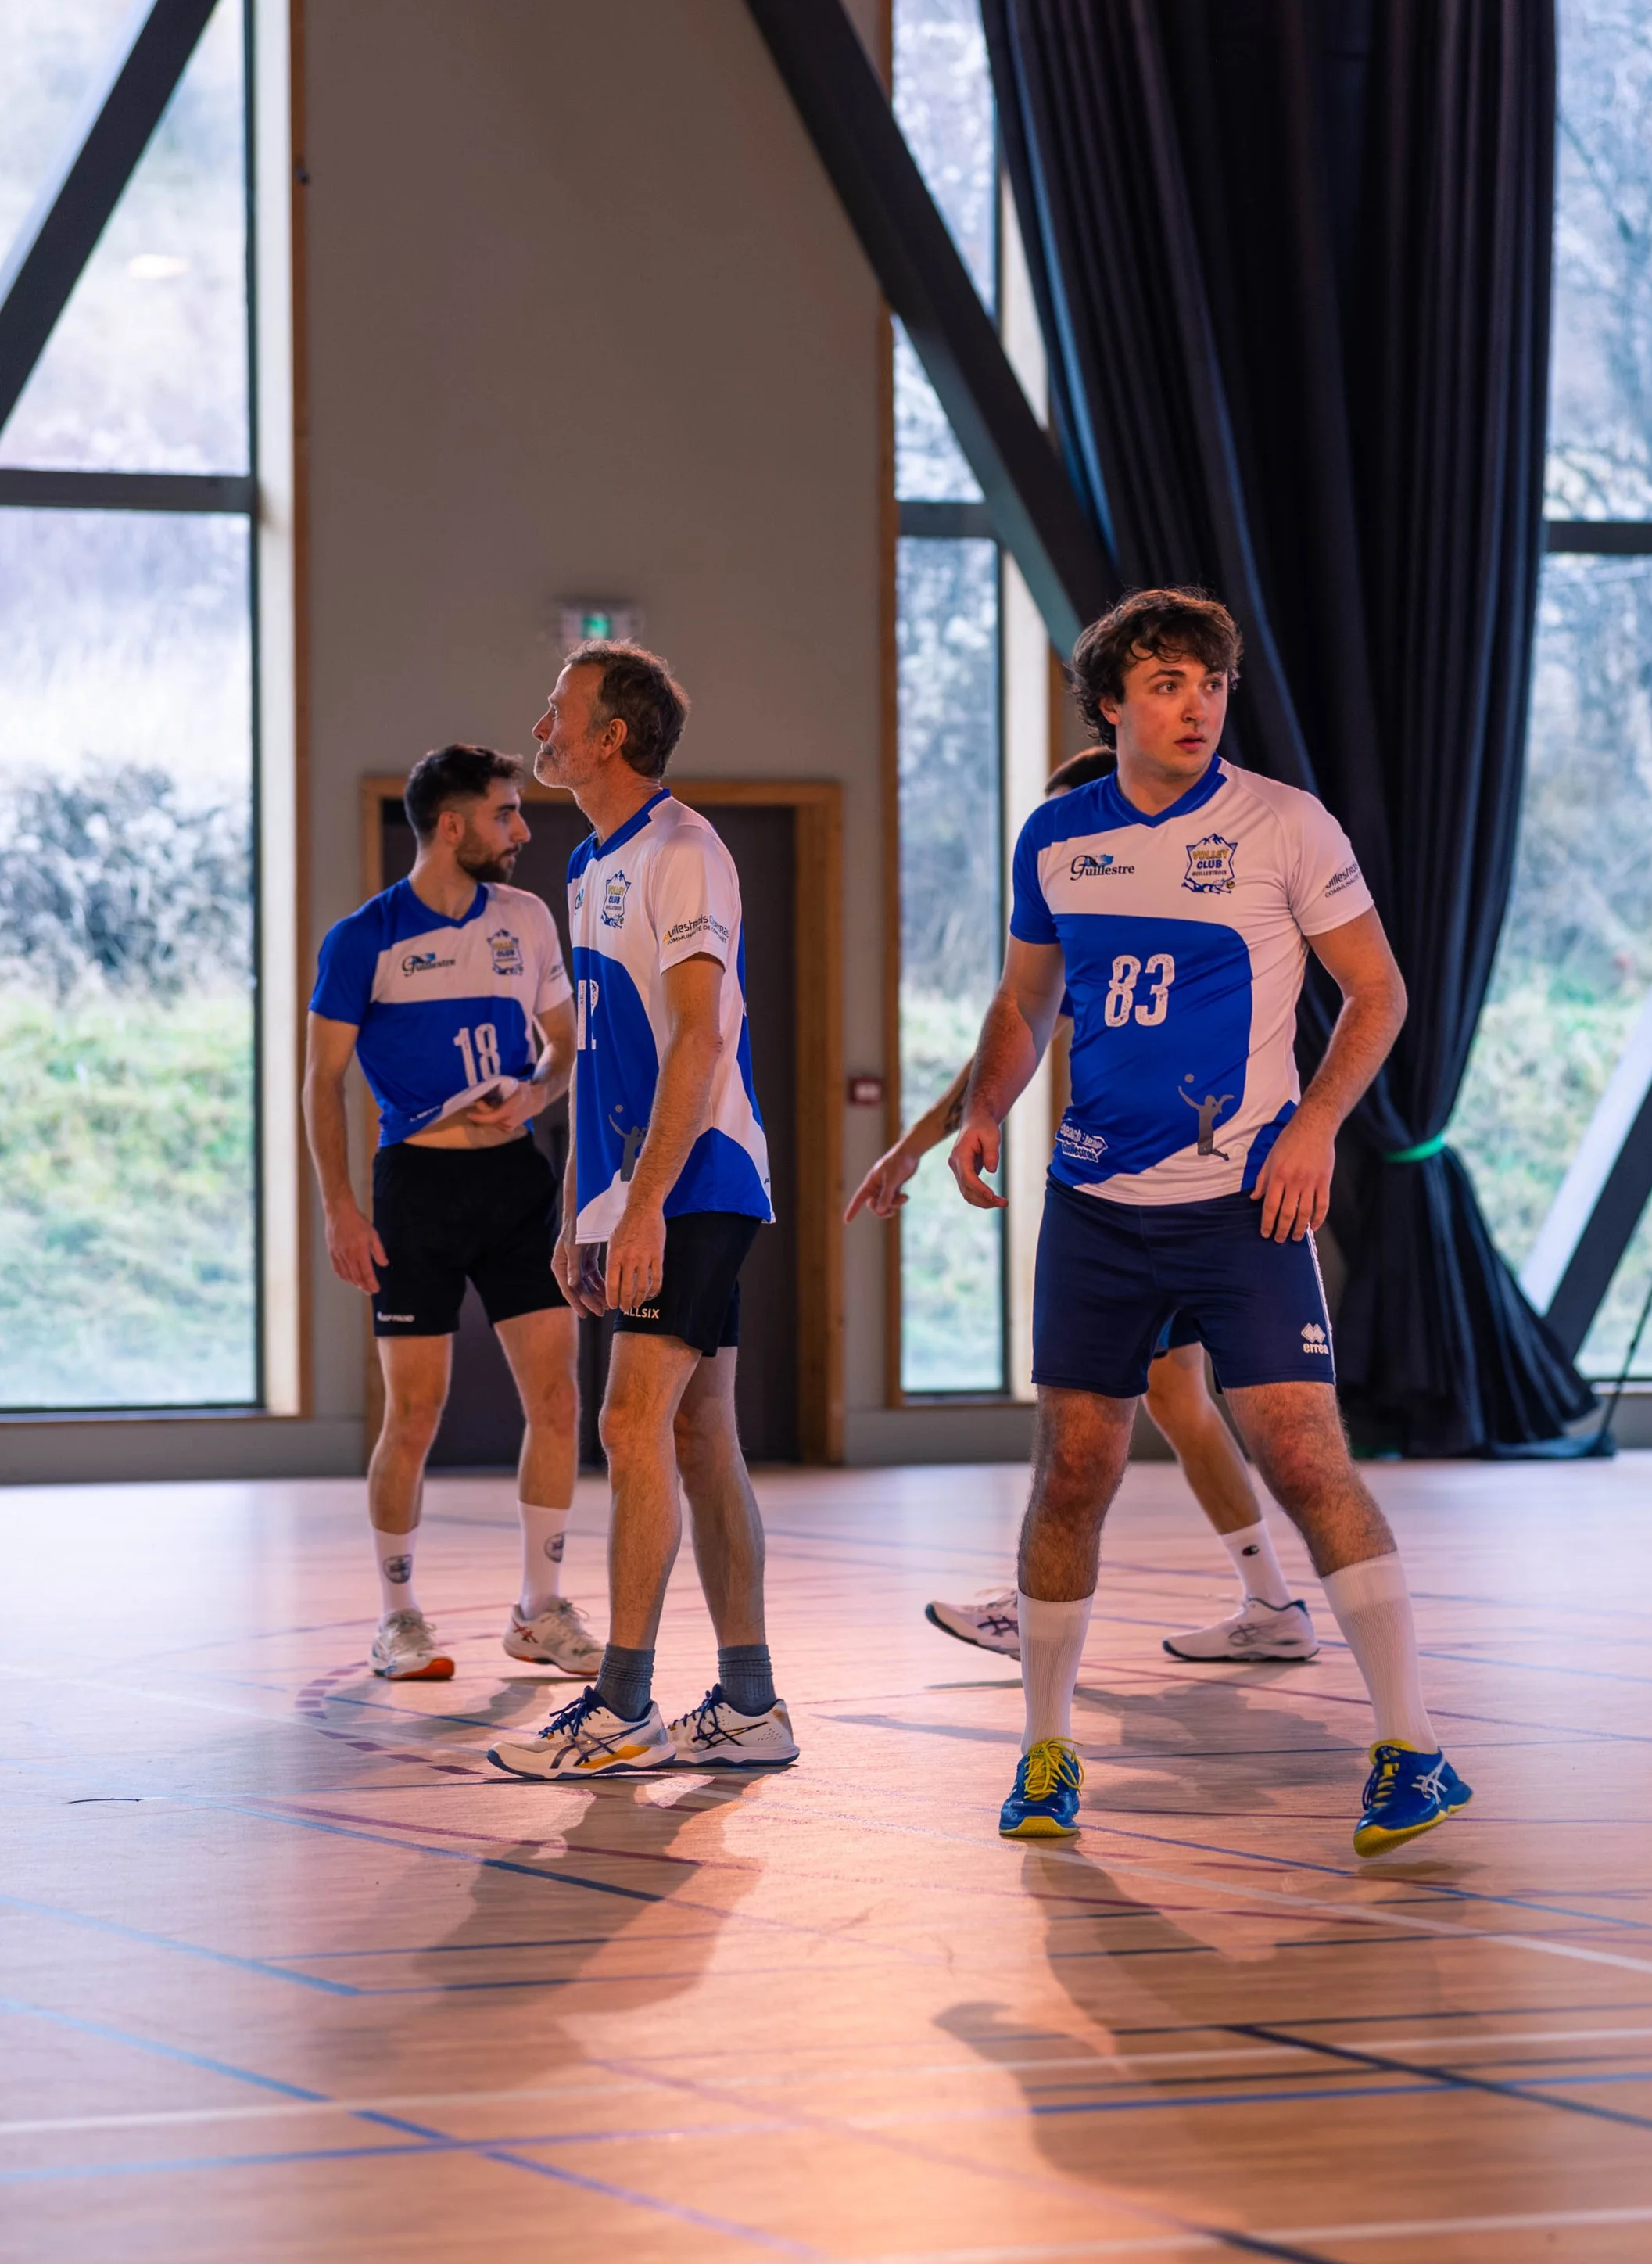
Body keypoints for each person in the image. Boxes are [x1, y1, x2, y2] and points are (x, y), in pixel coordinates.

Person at [948, 587, 1471, 1858]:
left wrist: (1312, 1129)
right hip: (1095, 1208)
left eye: (1213, 684)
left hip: (1244, 1207)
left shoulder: (1284, 825)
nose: (1197, 706)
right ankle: (1046, 1754)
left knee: (1305, 1457)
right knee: (1074, 1470)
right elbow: (1028, 1001)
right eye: (1170, 683)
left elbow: (1378, 993)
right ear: (1113, 701)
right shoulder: (1057, 837)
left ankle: (1410, 1748)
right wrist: (982, 1108)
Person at [848, 746, 1318, 1668]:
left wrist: (920, 1143)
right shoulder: (1094, 917)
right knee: (1179, 1401)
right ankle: (1270, 1602)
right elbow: (1008, 1041)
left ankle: (1046, 1609)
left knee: (1121, 1417)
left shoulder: (1168, 914)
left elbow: (1023, 1020)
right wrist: (917, 1142)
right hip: (1154, 1197)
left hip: (1172, 1200)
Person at [490, 643, 796, 1781]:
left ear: (611, 736)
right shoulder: (586, 865)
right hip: (642, 1188)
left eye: (558, 711)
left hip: (702, 1172)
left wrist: (649, 1205)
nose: (540, 727)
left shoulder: (685, 852)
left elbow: (704, 1037)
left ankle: (622, 1705)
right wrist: (584, 1206)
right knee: (700, 1436)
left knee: (631, 1424)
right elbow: (605, 1056)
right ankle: (753, 1705)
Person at [305, 744, 594, 1683]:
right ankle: (398, 1619)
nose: (523, 829)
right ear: (451, 824)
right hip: (416, 1194)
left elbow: (564, 1049)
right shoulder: (364, 939)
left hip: (515, 1184)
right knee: (416, 1412)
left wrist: (535, 1098)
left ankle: (539, 1610)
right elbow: (324, 1083)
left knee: (557, 1400)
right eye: (506, 813)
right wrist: (341, 1210)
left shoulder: (526, 918)